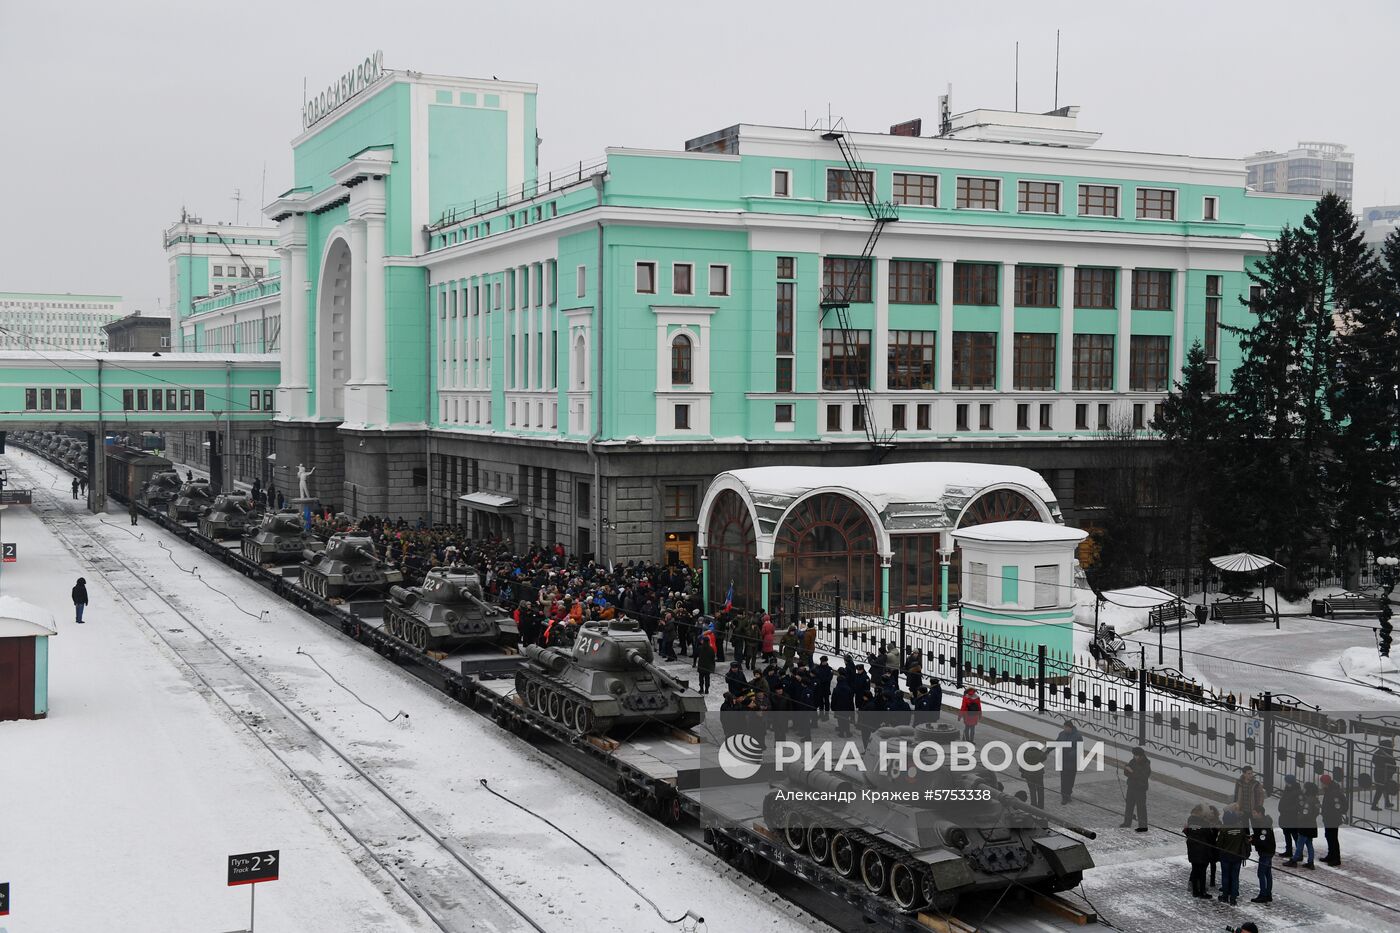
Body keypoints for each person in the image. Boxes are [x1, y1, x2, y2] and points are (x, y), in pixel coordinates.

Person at [1216, 807, 1250, 905]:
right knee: (1235, 877)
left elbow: (1219, 844)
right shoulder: (1241, 830)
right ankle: (1233, 898)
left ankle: (1225, 896)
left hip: (1226, 857)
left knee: (1225, 876)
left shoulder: (1224, 830)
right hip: (1237, 857)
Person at [1284, 781, 1319, 868]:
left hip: (1305, 825)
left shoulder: (1308, 801)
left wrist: (1298, 818)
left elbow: (1305, 814)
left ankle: (1294, 860)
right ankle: (1310, 862)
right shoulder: (1316, 800)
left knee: (1300, 844)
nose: (1303, 789)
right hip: (1312, 825)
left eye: (1305, 788)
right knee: (1309, 844)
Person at [1184, 804, 1214, 898]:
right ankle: (1202, 892)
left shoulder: (1190, 820)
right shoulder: (1204, 823)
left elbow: (1188, 832)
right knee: (1202, 872)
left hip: (1192, 850)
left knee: (1195, 870)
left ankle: (1195, 891)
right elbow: (1210, 837)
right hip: (1202, 851)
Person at [1250, 805, 1276, 903]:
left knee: (1261, 873)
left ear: (1260, 813)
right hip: (1268, 850)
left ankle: (1263, 895)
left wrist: (1252, 840)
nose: (1253, 815)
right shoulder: (1264, 822)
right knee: (1267, 873)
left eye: (1254, 813)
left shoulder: (1263, 825)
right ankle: (1268, 894)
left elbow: (1262, 840)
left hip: (1266, 851)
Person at [1120, 746, 1151, 831]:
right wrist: (1129, 770)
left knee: (1141, 808)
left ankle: (1143, 826)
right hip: (1131, 787)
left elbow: (1143, 776)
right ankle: (1127, 823)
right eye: (1134, 755)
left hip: (1140, 789)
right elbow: (1126, 772)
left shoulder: (1146, 764)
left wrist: (1132, 772)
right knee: (1129, 806)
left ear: (1141, 756)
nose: (1134, 757)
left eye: (1136, 755)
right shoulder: (1133, 761)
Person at [1320, 772, 1345, 866]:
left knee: (1333, 838)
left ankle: (1336, 858)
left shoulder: (1333, 792)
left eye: (1322, 783)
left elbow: (1338, 807)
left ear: (1325, 783)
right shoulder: (1329, 790)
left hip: (1332, 819)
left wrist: (1330, 814)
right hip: (1328, 818)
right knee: (1329, 837)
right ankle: (1330, 855)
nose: (1321, 785)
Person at [1057, 720, 1082, 804]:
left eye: (1066, 727)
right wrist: (1048, 750)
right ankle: (1064, 797)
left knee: (1070, 780)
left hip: (1072, 763)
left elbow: (1079, 749)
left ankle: (1068, 794)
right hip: (1063, 762)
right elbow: (1057, 742)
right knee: (1063, 780)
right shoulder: (1061, 734)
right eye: (1064, 727)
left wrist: (1070, 754)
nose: (1064, 729)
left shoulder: (1078, 736)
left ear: (1070, 727)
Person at [1277, 774, 1301, 861]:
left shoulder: (1297, 791)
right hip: (1285, 817)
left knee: (1295, 835)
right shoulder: (1287, 789)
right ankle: (1288, 851)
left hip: (1292, 817)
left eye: (1287, 782)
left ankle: (1299, 853)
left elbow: (1298, 805)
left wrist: (1286, 810)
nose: (1286, 783)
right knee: (1286, 834)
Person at [1371, 738, 1396, 810]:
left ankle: (1387, 802)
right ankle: (1373, 805)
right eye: (1391, 745)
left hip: (1385, 774)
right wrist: (1386, 765)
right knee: (1379, 789)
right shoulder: (1382, 753)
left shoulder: (1385, 752)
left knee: (1386, 787)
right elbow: (1376, 761)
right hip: (1380, 774)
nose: (1392, 746)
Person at [1021, 743, 1046, 808]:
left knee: (1032, 790)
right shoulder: (1039, 753)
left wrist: (1022, 772)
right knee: (1040, 789)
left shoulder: (1025, 753)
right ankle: (1041, 805)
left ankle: (1033, 804)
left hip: (1029, 774)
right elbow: (1044, 757)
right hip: (1039, 773)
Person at [695, 630, 715, 695]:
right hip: (708, 667)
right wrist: (713, 668)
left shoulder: (700, 648)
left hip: (701, 666)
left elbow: (696, 655)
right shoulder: (711, 649)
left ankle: (701, 689)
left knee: (701, 679)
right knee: (707, 679)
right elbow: (713, 659)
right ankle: (706, 690)